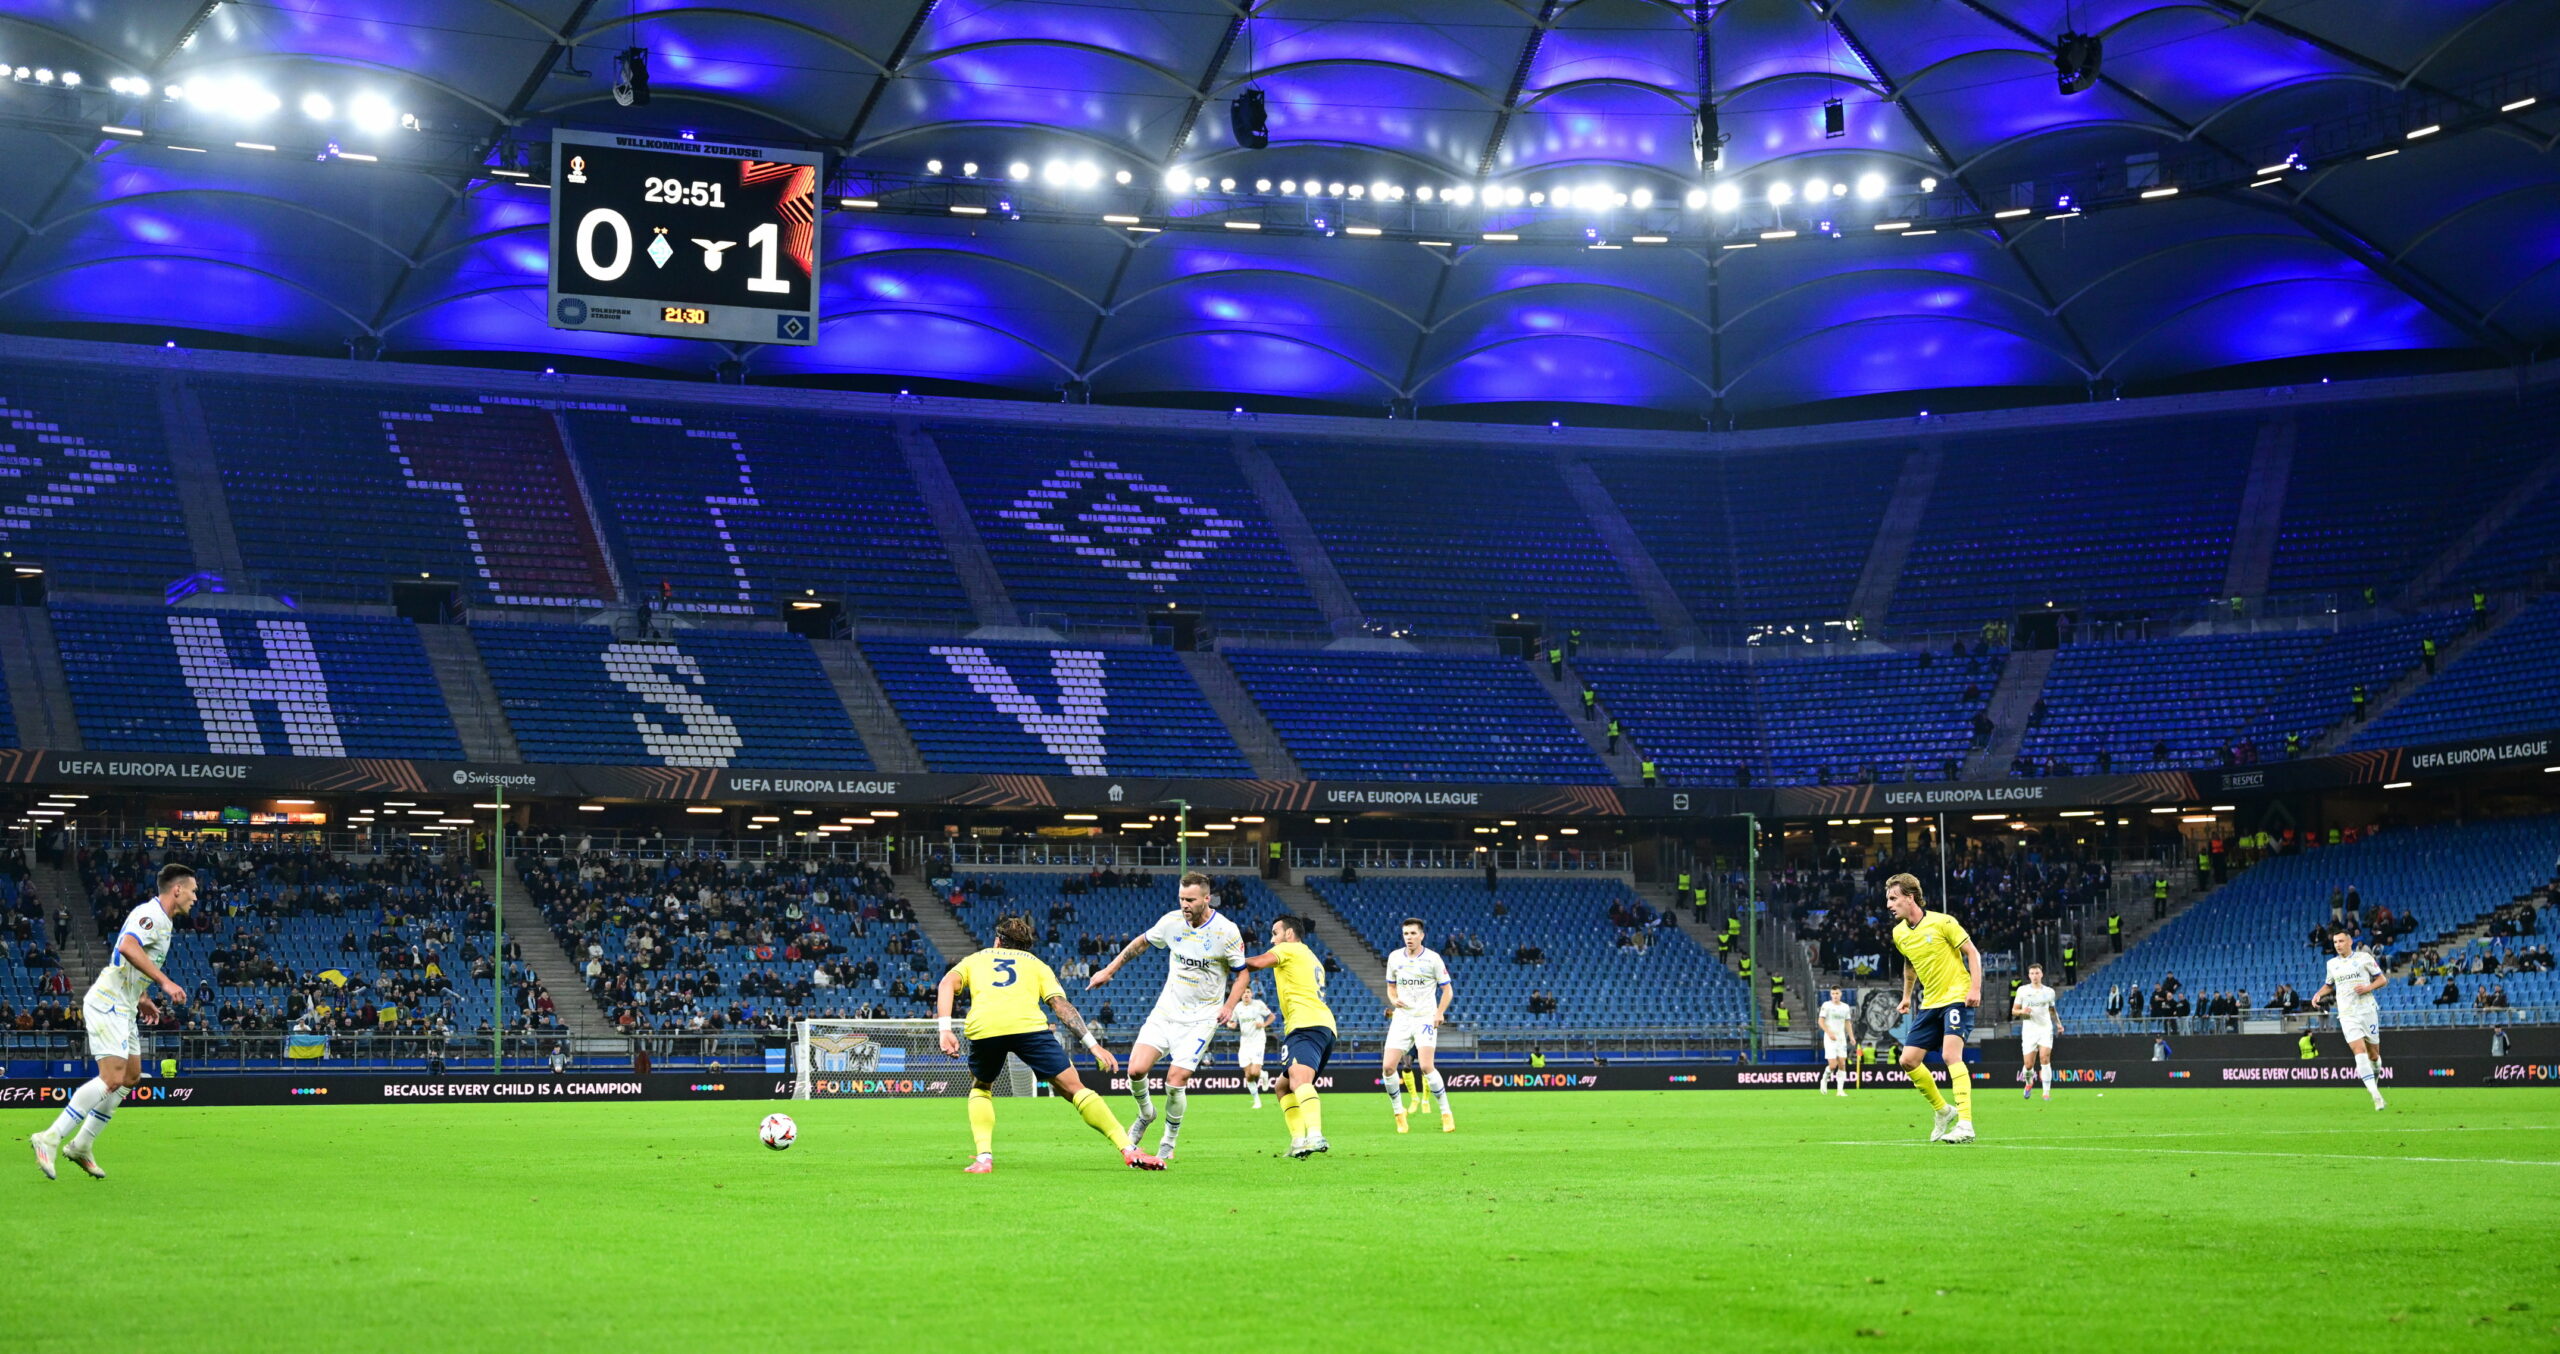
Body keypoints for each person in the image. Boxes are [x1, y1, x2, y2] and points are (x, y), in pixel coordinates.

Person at [934, 913, 1163, 1173]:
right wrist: (1093, 1045)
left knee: (982, 1087)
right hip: (1029, 1029)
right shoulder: (1037, 965)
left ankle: (984, 1157)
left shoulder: (975, 960)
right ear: (1026, 945)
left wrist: (945, 1029)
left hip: (986, 1028)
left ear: (998, 940)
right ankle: (1128, 1149)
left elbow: (945, 983)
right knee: (1075, 1089)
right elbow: (1060, 1006)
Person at [32, 863, 197, 1181]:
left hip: (125, 1004)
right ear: (177, 889)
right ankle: (50, 1137)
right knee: (111, 1078)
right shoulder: (150, 915)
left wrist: (141, 996)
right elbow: (126, 946)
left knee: (131, 1077)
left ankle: (82, 1145)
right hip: (107, 1003)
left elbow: (126, 962)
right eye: (193, 891)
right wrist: (164, 982)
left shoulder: (164, 922)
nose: (195, 897)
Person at [1085, 871, 1245, 1162]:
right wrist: (1109, 970)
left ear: (1207, 899)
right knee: (1135, 1070)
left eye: (1191, 899)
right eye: (1182, 898)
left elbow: (1242, 973)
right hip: (1166, 1012)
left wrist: (1229, 1006)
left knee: (1175, 1080)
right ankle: (1146, 1113)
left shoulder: (1226, 931)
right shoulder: (1171, 922)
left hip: (1202, 1018)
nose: (1185, 904)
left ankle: (1168, 1141)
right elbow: (1141, 943)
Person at [1224, 914, 1335, 1158]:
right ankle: (1298, 1142)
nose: (1272, 940)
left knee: (1299, 1080)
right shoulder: (1310, 955)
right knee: (1282, 1087)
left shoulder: (1289, 949)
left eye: (1275, 933)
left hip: (1305, 1025)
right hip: (1322, 1026)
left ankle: (1315, 1136)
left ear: (1289, 934)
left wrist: (1223, 961)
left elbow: (1256, 963)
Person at [1885, 872, 1984, 1144]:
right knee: (1908, 1060)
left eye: (1893, 898)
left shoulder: (1943, 922)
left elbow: (1973, 953)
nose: (1889, 905)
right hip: (1930, 1003)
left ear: (1910, 896)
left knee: (1951, 1055)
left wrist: (1975, 988)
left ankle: (1965, 1124)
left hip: (1956, 997)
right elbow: (1910, 964)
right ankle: (1943, 1110)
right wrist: (1907, 997)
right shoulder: (1899, 933)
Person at [1379, 917, 1456, 1134]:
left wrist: (1439, 1012)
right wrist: (1393, 1000)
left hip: (1424, 1018)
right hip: (1402, 1018)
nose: (1409, 938)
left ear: (1422, 935)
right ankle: (1399, 1114)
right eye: (1406, 934)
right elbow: (1391, 987)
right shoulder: (1395, 957)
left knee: (1425, 1066)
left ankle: (1446, 1113)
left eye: (1413, 933)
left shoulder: (1433, 959)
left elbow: (1448, 991)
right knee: (1387, 1067)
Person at [2309, 927, 2390, 1111]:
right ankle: (2376, 1096)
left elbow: (2382, 980)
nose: (2338, 945)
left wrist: (2367, 987)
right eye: (2335, 942)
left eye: (2341, 941)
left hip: (2367, 1010)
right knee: (2358, 1051)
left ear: (2350, 941)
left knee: (2374, 1055)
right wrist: (2318, 994)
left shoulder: (2364, 958)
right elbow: (2329, 985)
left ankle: (2374, 1084)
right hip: (2346, 1014)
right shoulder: (2332, 964)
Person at [2013, 963, 2061, 1102]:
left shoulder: (2049, 992)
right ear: (2029, 976)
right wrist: (2022, 1011)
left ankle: (2046, 1092)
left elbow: (2052, 1010)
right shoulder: (2022, 990)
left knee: (2045, 1058)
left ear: (2042, 974)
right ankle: (2028, 1084)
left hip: (2045, 1028)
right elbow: (2014, 1011)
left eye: (2037, 973)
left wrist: (2058, 1024)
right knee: (2028, 1065)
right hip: (2029, 1030)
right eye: (2032, 973)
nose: (2034, 976)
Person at [1232, 985, 1274, 1109]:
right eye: (1244, 992)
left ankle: (1263, 1075)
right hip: (1244, 1043)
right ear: (1241, 995)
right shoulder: (1238, 1007)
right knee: (1248, 1075)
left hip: (1258, 1041)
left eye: (1248, 992)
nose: (1246, 994)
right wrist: (1231, 1024)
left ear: (1252, 994)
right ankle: (1257, 1101)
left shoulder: (1258, 1004)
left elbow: (1272, 1016)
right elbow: (1232, 1021)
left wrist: (1264, 1024)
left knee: (1255, 1071)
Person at [1816, 987, 1854, 1097]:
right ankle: (1824, 1079)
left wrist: (1851, 1036)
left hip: (1841, 1039)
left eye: (1837, 993)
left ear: (1840, 994)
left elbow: (1847, 1022)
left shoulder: (1845, 1007)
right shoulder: (1826, 1005)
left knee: (1842, 1063)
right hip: (1830, 1039)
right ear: (1831, 995)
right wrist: (1828, 1033)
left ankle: (1840, 1091)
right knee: (1833, 1065)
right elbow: (1820, 1021)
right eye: (1833, 993)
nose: (1835, 995)